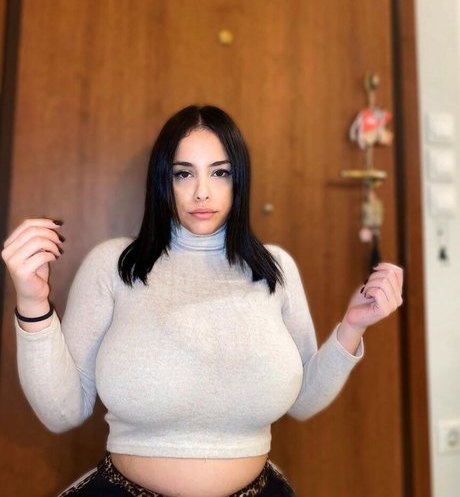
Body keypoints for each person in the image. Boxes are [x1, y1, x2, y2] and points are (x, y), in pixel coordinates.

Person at [1, 104, 403, 497]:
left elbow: (302, 402)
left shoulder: (275, 268)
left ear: (239, 179)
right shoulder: (114, 265)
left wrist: (352, 326)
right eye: (184, 173)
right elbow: (61, 412)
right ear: (163, 180)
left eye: (220, 172)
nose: (202, 192)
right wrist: (33, 302)